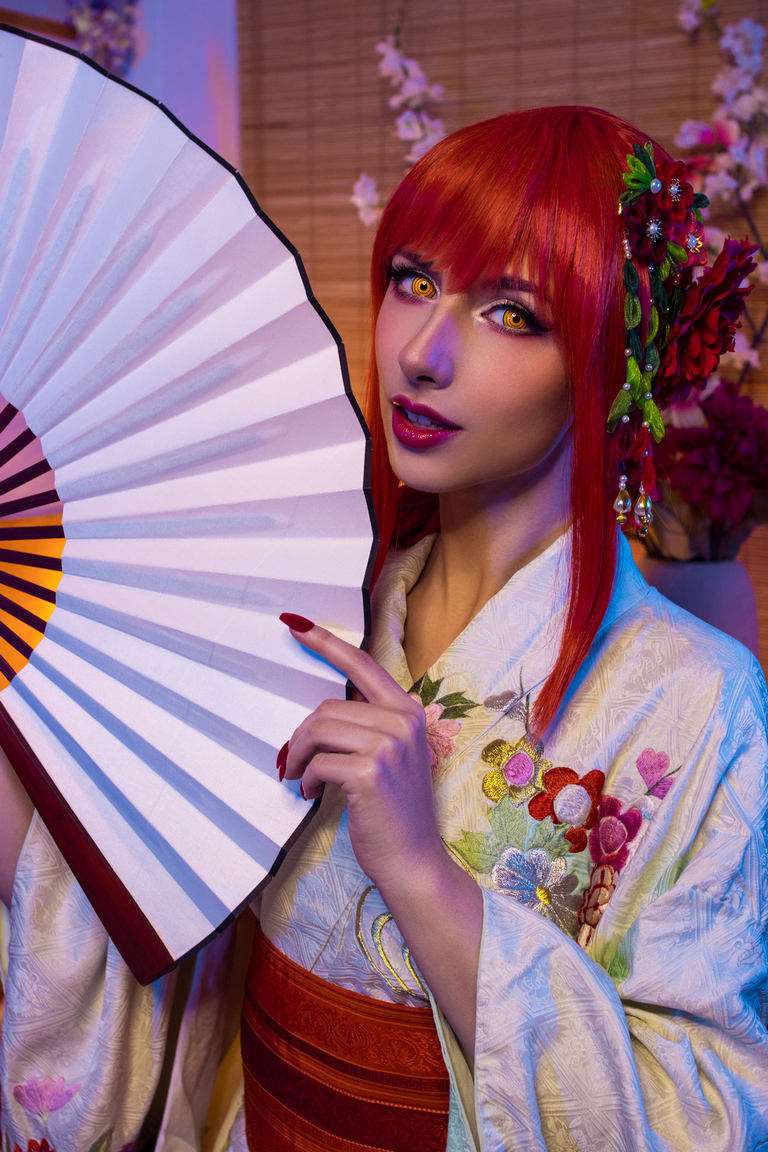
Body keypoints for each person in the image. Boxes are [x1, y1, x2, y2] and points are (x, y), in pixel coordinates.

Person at [2, 105, 767, 1152]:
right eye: (413, 281)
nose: (423, 352)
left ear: (610, 365)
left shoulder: (701, 700)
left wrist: (420, 869)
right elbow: (145, 923)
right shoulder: (307, 611)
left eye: (513, 314)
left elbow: (708, 1116)